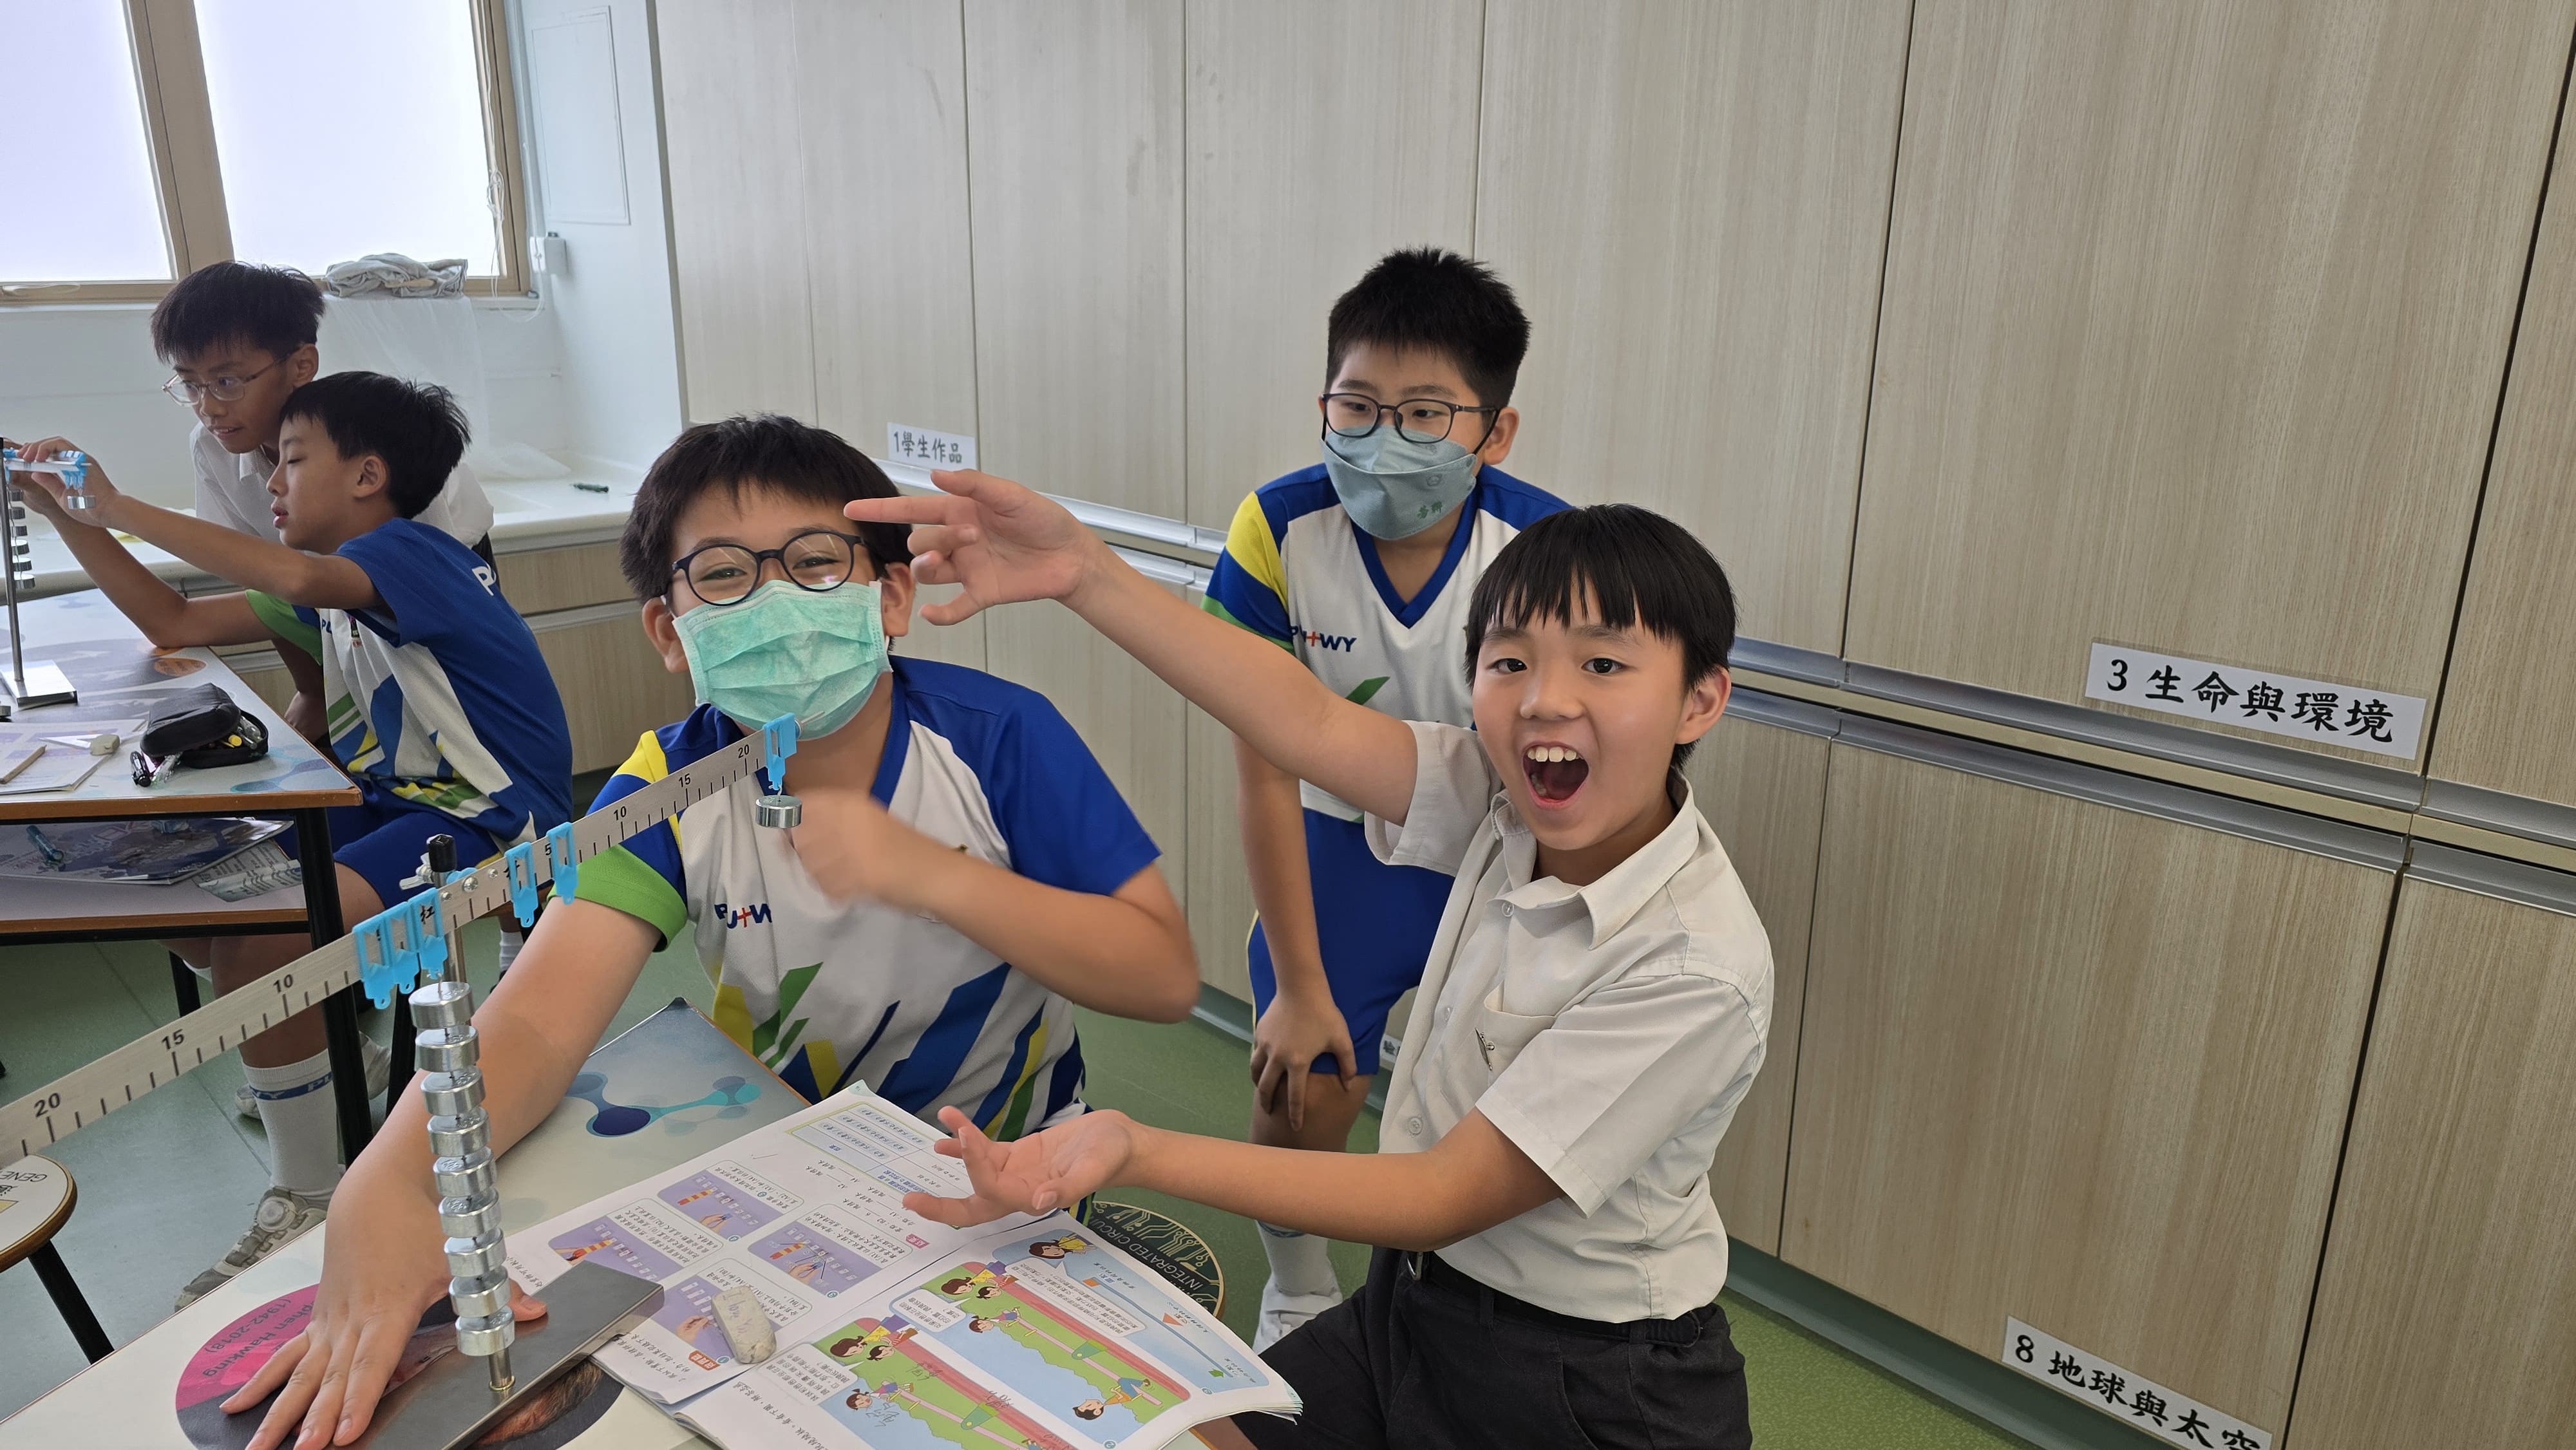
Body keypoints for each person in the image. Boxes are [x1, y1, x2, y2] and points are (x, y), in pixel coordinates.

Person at [219, 415, 1198, 1450]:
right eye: (724, 576)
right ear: (669, 630)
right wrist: (383, 1184)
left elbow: (1162, 977)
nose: (775, 602)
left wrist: (933, 875)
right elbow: (538, 1023)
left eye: (815, 563)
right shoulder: (664, 787)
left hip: (1007, 1176)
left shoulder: (999, 739)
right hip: (788, 1173)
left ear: (892, 597)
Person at [860, 470, 1766, 1449]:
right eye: (1509, 661)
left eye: (1604, 665)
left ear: (1700, 700)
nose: (1546, 700)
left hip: (1590, 1380)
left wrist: (1138, 1148)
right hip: (1414, 1307)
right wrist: (1086, 571)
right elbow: (1306, 721)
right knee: (1176, 1429)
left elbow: (1440, 1195)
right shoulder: (1499, 800)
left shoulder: (1693, 965)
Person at [10, 373, 572, 1310]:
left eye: (293, 460)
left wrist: (116, 502)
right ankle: (336, 1061)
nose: (270, 481)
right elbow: (173, 622)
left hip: (488, 821)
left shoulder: (413, 553)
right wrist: (73, 517)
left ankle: (309, 1195)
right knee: (189, 906)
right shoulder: (338, 583)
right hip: (395, 800)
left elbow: (300, 579)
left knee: (267, 943)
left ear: (368, 476)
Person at [1201, 247, 1567, 1345]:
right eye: (1356, 406)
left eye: (1425, 414)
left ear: (1495, 433)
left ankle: (1455, 1307)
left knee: (1486, 1105)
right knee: (1302, 1078)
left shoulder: (1546, 549)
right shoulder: (1275, 530)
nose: (1383, 438)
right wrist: (1297, 982)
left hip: (1497, 863)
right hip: (1333, 858)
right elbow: (1263, 766)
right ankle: (1299, 1286)